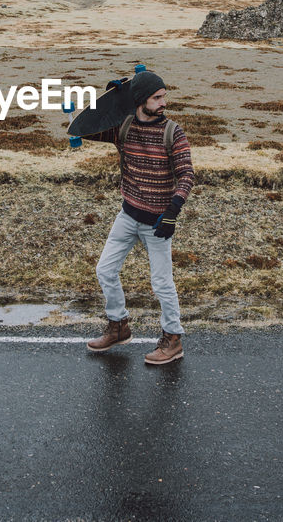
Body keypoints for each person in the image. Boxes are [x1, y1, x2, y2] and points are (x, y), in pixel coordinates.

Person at [83, 70, 194, 365]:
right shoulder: (124, 127)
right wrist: (111, 102)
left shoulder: (173, 132)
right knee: (105, 270)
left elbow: (186, 175)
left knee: (162, 283)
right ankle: (118, 325)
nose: (163, 103)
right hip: (128, 215)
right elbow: (82, 129)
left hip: (158, 222)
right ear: (140, 100)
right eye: (157, 98)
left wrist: (172, 212)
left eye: (163, 98)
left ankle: (173, 339)